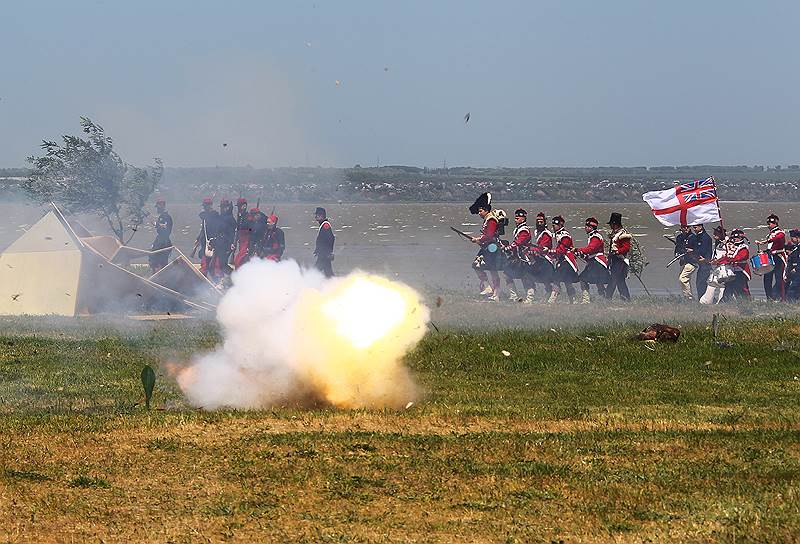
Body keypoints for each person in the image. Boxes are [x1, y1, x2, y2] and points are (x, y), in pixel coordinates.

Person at [468, 193, 503, 301]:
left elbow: (489, 235)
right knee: (477, 266)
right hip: (488, 247)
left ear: (486, 209)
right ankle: (490, 289)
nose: (479, 213)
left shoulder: (491, 220)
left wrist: (478, 239)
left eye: (480, 211)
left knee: (492, 270)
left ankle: (495, 294)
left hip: (492, 248)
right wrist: (479, 240)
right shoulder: (488, 220)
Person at [501, 209, 535, 304]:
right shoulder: (517, 229)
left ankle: (530, 299)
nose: (516, 218)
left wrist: (507, 248)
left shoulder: (524, 230)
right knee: (506, 275)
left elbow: (517, 243)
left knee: (526, 278)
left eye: (519, 217)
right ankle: (514, 296)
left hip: (524, 258)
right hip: (517, 257)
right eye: (516, 216)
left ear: (524, 218)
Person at [575, 217, 609, 303]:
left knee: (583, 279)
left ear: (591, 227)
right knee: (598, 281)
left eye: (587, 226)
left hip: (598, 262)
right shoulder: (593, 236)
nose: (585, 228)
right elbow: (590, 252)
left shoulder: (595, 237)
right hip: (594, 261)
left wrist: (577, 250)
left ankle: (586, 300)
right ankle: (604, 298)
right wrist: (581, 254)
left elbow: (590, 249)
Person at [548, 215, 578, 304]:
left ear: (560, 225)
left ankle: (551, 301)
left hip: (567, 261)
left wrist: (549, 251)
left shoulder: (565, 236)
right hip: (563, 260)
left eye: (554, 225)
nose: (553, 227)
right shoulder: (559, 234)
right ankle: (573, 300)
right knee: (567, 282)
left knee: (557, 280)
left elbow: (561, 250)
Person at [757, 214, 787, 301]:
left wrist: (764, 242)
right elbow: (770, 247)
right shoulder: (770, 234)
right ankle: (769, 298)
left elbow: (777, 238)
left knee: (779, 279)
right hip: (770, 257)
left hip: (778, 257)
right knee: (767, 278)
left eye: (770, 223)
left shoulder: (780, 233)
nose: (768, 225)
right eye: (768, 223)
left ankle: (782, 299)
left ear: (775, 223)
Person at [192, 197, 222, 280]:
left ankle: (216, 282)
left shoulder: (215, 216)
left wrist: (213, 240)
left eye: (206, 205)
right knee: (205, 262)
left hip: (212, 243)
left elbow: (217, 229)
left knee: (214, 264)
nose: (205, 207)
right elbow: (203, 230)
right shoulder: (205, 217)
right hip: (205, 242)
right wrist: (198, 239)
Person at [718, 228, 751, 302]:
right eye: (733, 238)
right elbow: (726, 257)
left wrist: (728, 260)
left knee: (742, 289)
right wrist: (718, 261)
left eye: (737, 238)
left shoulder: (744, 247)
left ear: (741, 238)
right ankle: (723, 303)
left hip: (741, 271)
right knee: (728, 287)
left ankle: (748, 303)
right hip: (732, 271)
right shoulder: (731, 247)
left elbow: (740, 257)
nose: (735, 239)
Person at [605, 212, 631, 301]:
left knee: (613, 279)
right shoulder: (615, 233)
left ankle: (607, 298)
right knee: (620, 281)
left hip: (620, 260)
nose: (610, 226)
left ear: (615, 224)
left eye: (612, 224)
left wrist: (617, 251)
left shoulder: (623, 234)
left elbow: (626, 248)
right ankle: (626, 298)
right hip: (614, 259)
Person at [529, 212, 554, 302]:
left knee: (545, 279)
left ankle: (550, 294)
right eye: (538, 221)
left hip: (546, 259)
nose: (539, 223)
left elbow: (543, 247)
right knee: (530, 274)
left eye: (541, 221)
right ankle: (532, 295)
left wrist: (533, 250)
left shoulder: (547, 233)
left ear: (544, 222)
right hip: (539, 258)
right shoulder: (536, 232)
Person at [685, 224, 713, 301]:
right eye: (693, 228)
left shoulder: (705, 237)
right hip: (701, 264)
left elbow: (702, 250)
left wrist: (693, 251)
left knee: (701, 283)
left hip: (705, 263)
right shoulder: (698, 236)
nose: (694, 229)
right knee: (699, 283)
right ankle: (702, 299)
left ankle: (704, 300)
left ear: (701, 227)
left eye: (695, 227)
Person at [700, 226, 727, 305]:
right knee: (712, 284)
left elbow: (727, 256)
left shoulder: (727, 243)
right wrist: (710, 261)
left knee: (722, 286)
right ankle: (706, 301)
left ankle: (721, 302)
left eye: (716, 233)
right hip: (716, 268)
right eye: (714, 233)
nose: (714, 235)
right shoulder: (718, 243)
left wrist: (717, 261)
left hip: (724, 268)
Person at [148, 198, 172, 273]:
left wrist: (156, 224)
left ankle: (159, 277)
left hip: (163, 242)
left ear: (161, 206)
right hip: (162, 241)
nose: (157, 209)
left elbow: (164, 228)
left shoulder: (165, 217)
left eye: (158, 207)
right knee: (154, 259)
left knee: (158, 261)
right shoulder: (163, 216)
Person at [217, 199, 237, 275]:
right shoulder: (223, 217)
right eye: (222, 207)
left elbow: (232, 232)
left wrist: (230, 243)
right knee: (221, 263)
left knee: (223, 263)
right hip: (221, 243)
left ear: (228, 207)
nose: (223, 209)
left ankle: (233, 275)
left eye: (224, 207)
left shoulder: (230, 218)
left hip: (228, 243)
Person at [675, 225, 695, 300]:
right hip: (683, 261)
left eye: (688, 227)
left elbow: (697, 249)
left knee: (682, 278)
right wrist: (677, 255)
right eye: (684, 227)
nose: (686, 229)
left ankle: (689, 297)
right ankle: (687, 297)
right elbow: (677, 249)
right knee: (685, 280)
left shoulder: (693, 237)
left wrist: (692, 250)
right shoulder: (679, 238)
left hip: (692, 261)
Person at [314, 207, 335, 277]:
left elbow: (330, 239)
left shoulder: (326, 225)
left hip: (324, 255)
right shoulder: (323, 225)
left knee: (315, 272)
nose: (315, 216)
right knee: (328, 274)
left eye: (317, 215)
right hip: (324, 254)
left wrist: (328, 252)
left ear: (322, 216)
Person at [233, 197, 251, 268]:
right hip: (240, 240)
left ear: (244, 206)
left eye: (240, 206)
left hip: (246, 240)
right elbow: (238, 228)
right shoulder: (240, 216)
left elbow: (250, 229)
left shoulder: (248, 216)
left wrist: (245, 232)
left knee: (239, 259)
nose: (239, 208)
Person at [784, 229, 800, 301]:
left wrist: (796, 268)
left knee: (792, 291)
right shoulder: (797, 247)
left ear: (797, 237)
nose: (791, 240)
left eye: (792, 237)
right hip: (796, 273)